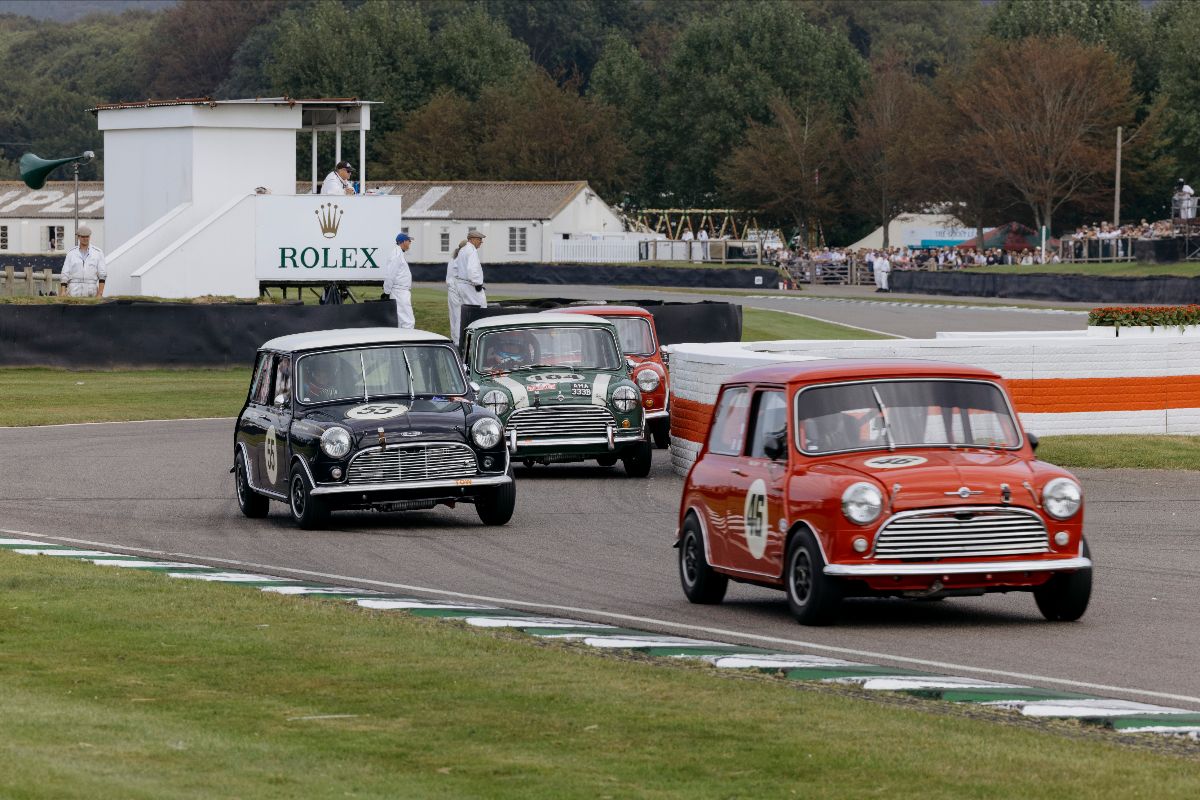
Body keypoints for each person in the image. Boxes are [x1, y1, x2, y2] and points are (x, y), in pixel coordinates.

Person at [448, 229, 487, 343]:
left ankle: (460, 340)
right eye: (479, 239)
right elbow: (472, 269)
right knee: (478, 311)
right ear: (472, 239)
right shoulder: (471, 250)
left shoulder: (463, 250)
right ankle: (475, 339)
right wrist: (477, 283)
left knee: (462, 314)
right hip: (470, 285)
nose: (481, 242)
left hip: (462, 284)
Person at [59, 225, 106, 297]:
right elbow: (65, 273)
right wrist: (63, 291)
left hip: (91, 291)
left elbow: (102, 274)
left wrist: (100, 293)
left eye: (87, 236)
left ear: (90, 237)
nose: (85, 239)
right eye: (83, 237)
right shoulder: (71, 253)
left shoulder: (98, 253)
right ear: (78, 237)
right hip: (73, 291)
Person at [383, 232, 414, 329]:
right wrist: (386, 291)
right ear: (403, 241)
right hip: (399, 291)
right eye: (409, 241)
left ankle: (403, 342)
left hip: (400, 290)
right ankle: (409, 343)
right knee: (408, 321)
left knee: (401, 321)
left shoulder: (399, 253)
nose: (410, 243)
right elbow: (390, 274)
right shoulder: (396, 255)